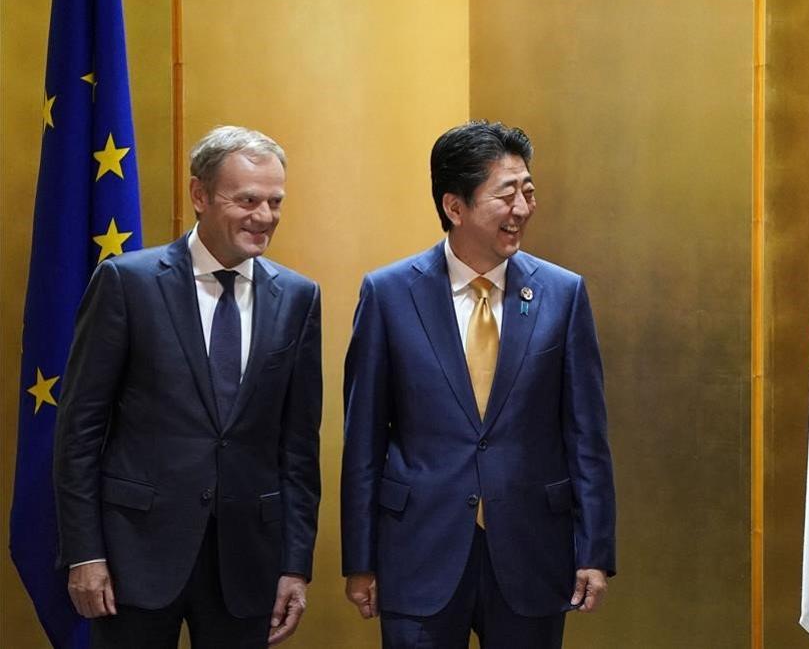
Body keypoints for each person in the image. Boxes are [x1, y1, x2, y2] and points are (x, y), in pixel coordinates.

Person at [340, 120, 616, 648]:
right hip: (418, 548)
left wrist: (594, 551)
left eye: (528, 191)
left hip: (532, 549)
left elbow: (587, 436)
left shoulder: (563, 294)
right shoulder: (389, 293)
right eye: (506, 194)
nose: (523, 208)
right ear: (455, 206)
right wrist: (361, 559)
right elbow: (364, 441)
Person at [54, 126, 322, 648]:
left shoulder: (298, 297)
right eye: (247, 199)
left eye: (274, 201)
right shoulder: (127, 283)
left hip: (247, 561)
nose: (264, 217)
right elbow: (79, 431)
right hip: (135, 557)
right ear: (199, 195)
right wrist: (85, 553)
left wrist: (295, 564)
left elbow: (298, 447)